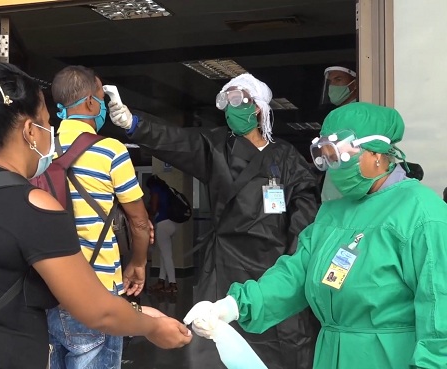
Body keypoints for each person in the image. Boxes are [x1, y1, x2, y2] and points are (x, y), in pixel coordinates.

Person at [0, 60, 192, 369]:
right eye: (45, 122)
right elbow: (100, 312)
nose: (50, 133)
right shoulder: (33, 206)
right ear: (30, 130)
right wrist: (153, 326)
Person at [184, 102, 447, 369]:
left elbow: (440, 309)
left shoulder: (421, 213)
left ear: (377, 152)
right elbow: (297, 272)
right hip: (331, 353)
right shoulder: (333, 212)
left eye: (341, 153)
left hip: (389, 357)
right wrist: (234, 306)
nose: (334, 165)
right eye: (327, 155)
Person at [109, 73, 320, 369]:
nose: (231, 108)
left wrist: (297, 259)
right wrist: (134, 123)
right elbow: (177, 141)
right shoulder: (217, 146)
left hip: (275, 264)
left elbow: (306, 209)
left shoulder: (285, 157)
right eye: (227, 100)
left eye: (237, 99)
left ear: (257, 107)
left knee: (277, 342)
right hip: (225, 261)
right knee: (214, 342)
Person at [46, 65, 154, 369]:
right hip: (98, 289)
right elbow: (139, 222)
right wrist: (138, 263)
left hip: (49, 287)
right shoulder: (111, 150)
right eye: (102, 97)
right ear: (92, 104)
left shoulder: (39, 150)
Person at [146, 175, 179, 294]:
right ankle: (161, 281)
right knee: (164, 255)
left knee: (166, 256)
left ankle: (172, 283)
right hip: (173, 224)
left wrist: (146, 211)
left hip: (163, 224)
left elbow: (154, 209)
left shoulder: (156, 189)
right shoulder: (166, 190)